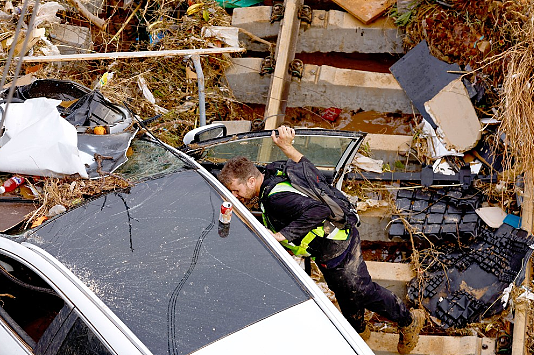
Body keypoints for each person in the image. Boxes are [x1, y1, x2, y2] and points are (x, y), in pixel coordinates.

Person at [218, 125, 425, 354]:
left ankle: (408, 320)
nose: (235, 197)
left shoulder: (276, 199)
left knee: (362, 291)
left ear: (249, 181)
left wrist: (280, 236)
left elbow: (318, 211)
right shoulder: (273, 172)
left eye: (235, 190)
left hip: (338, 247)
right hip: (328, 248)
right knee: (343, 291)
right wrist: (288, 148)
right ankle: (358, 329)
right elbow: (307, 170)